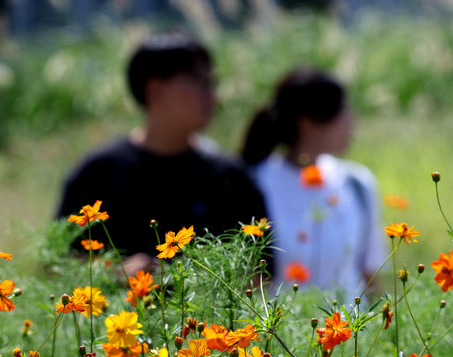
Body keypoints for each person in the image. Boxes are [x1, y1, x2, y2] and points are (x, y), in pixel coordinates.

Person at [57, 33, 267, 273]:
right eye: (198, 81)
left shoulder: (231, 177)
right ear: (155, 90)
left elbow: (260, 275)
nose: (211, 94)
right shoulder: (99, 173)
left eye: (211, 82)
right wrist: (116, 273)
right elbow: (57, 266)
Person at [241, 67, 385, 302]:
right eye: (342, 112)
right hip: (286, 336)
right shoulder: (255, 184)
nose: (351, 122)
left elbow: (371, 278)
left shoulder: (357, 183)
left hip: (351, 334)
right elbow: (250, 286)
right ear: (307, 123)